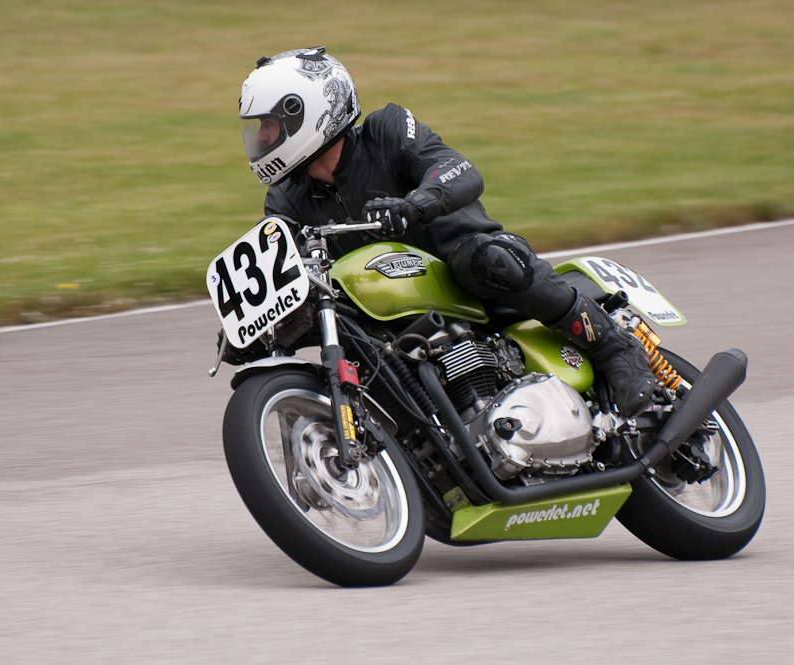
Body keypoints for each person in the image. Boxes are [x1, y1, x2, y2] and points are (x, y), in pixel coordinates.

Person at [238, 47, 655, 415]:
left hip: (468, 273)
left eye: (268, 125)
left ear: (308, 112)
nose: (260, 138)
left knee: (484, 260)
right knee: (344, 329)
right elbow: (281, 267)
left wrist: (415, 204)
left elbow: (460, 171)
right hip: (393, 310)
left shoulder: (385, 131)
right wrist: (252, 321)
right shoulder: (286, 199)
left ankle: (614, 346)